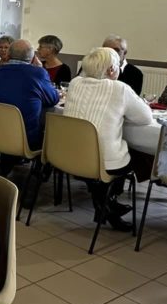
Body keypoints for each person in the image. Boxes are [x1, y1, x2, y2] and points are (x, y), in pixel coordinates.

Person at [65, 47, 154, 231]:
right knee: (137, 154)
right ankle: (108, 204)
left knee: (114, 153)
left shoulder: (75, 83)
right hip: (103, 161)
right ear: (112, 70)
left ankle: (106, 205)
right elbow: (145, 117)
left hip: (71, 156)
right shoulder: (119, 88)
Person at [0, 39, 60, 151]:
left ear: (9, 55)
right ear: (32, 58)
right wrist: (40, 69)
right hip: (26, 137)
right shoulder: (38, 73)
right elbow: (53, 99)